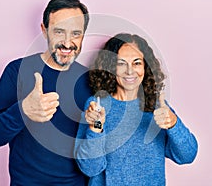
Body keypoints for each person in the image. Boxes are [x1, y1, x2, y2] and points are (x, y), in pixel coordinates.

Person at [0, 0, 92, 185]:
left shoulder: (90, 80)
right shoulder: (17, 71)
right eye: (59, 31)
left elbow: (95, 145)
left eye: (75, 33)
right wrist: (23, 111)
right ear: (44, 30)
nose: (67, 42)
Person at [74, 33, 198, 185]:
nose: (130, 71)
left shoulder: (158, 107)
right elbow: (90, 169)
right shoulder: (97, 106)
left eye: (137, 63)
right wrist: (96, 129)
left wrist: (174, 124)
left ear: (146, 67)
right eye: (121, 63)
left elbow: (188, 155)